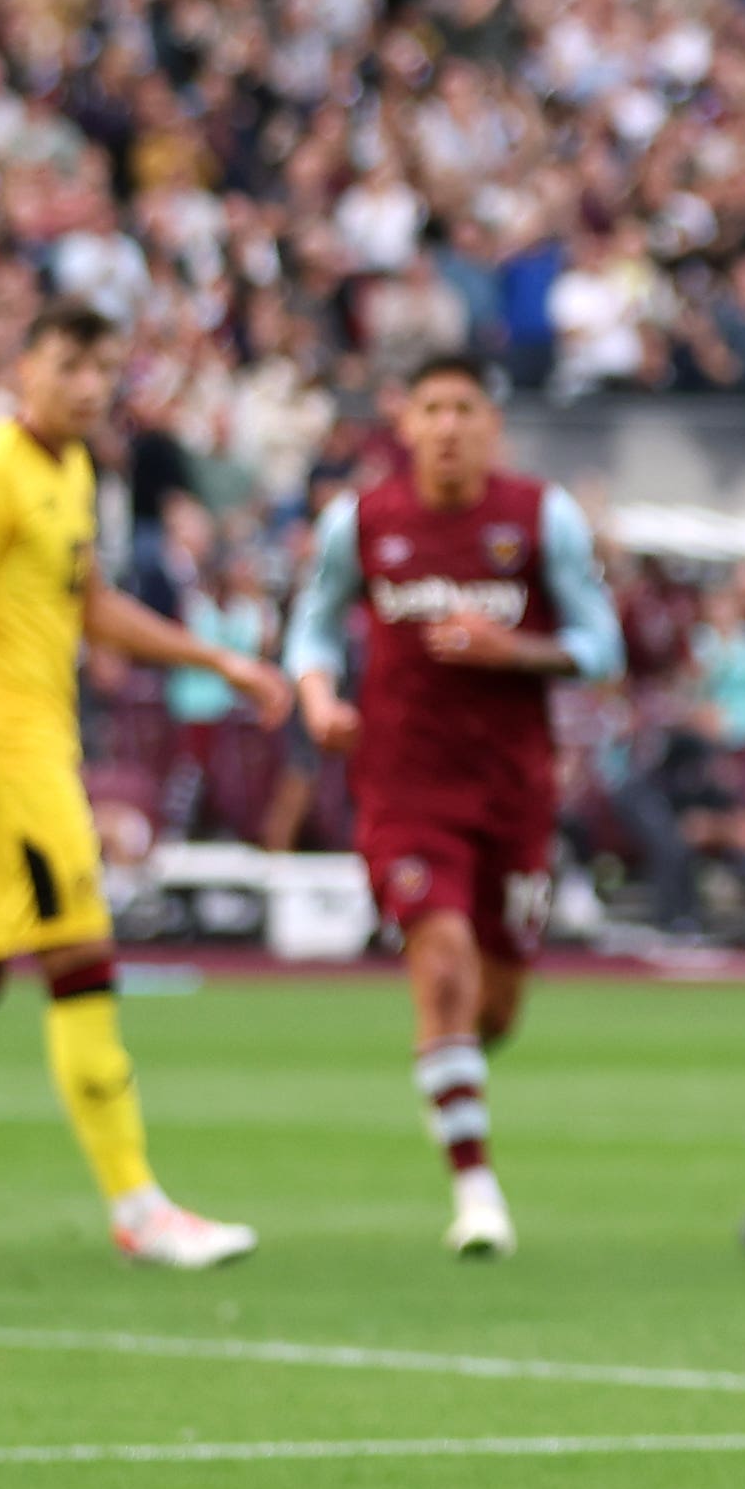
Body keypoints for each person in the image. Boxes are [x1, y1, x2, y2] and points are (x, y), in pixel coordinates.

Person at [0, 299, 288, 1270]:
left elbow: (93, 608)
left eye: (101, 367)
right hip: (4, 758)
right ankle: (139, 1208)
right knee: (82, 965)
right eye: (70, 364)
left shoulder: (72, 471)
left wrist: (220, 661)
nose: (89, 385)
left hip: (24, 752)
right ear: (25, 364)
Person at [288, 349, 615, 1257]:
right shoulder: (359, 523)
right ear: (405, 423)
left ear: (490, 424)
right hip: (402, 783)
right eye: (430, 407)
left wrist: (512, 650)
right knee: (440, 964)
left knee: (493, 1003)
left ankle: (449, 1066)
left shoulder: (538, 517)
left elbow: (601, 645)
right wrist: (317, 697)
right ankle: (476, 1193)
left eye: (465, 407)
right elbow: (312, 624)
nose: (447, 425)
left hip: (513, 788)